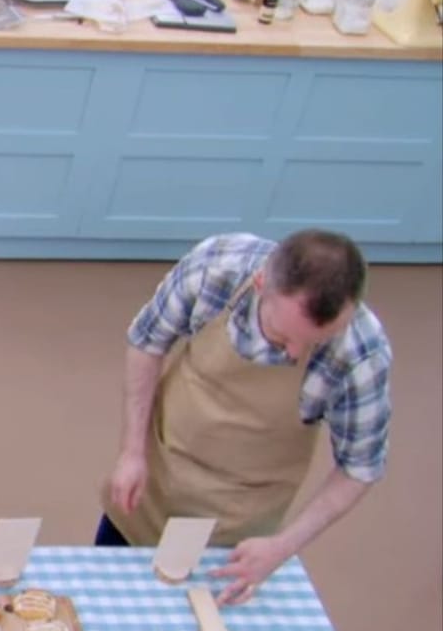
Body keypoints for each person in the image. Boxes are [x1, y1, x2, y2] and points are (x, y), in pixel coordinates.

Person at [100, 230, 391, 604]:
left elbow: (359, 469)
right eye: (283, 336)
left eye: (315, 342)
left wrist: (282, 547)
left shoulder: (362, 355)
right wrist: (132, 452)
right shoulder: (215, 267)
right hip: (154, 485)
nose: (295, 353)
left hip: (239, 526)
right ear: (260, 283)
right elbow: (147, 342)